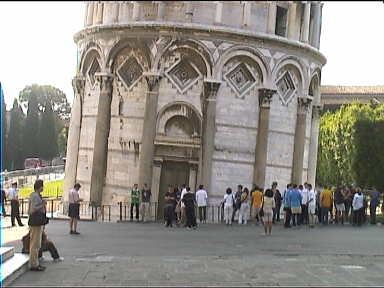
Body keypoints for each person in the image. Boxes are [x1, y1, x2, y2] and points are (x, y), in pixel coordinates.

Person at [28, 179, 46, 271]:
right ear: (40, 186)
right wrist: (42, 204)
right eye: (43, 186)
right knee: (35, 243)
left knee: (36, 243)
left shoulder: (35, 195)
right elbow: (33, 209)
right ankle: (34, 264)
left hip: (37, 222)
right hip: (36, 222)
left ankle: (35, 262)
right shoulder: (35, 196)